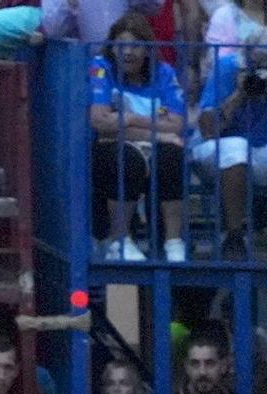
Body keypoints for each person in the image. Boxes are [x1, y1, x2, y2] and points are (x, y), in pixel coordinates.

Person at [87, 12, 187, 262]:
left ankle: (173, 242)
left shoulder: (164, 72)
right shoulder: (101, 67)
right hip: (113, 147)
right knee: (127, 159)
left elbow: (176, 125)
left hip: (147, 143)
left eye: (136, 45)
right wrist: (157, 134)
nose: (128, 52)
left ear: (148, 50)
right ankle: (120, 240)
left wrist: (128, 119)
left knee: (173, 155)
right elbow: (100, 123)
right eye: (121, 45)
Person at [192, 40, 267, 260]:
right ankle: (234, 237)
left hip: (260, 151)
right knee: (237, 146)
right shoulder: (227, 67)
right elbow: (207, 130)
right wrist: (239, 95)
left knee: (241, 148)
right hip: (216, 150)